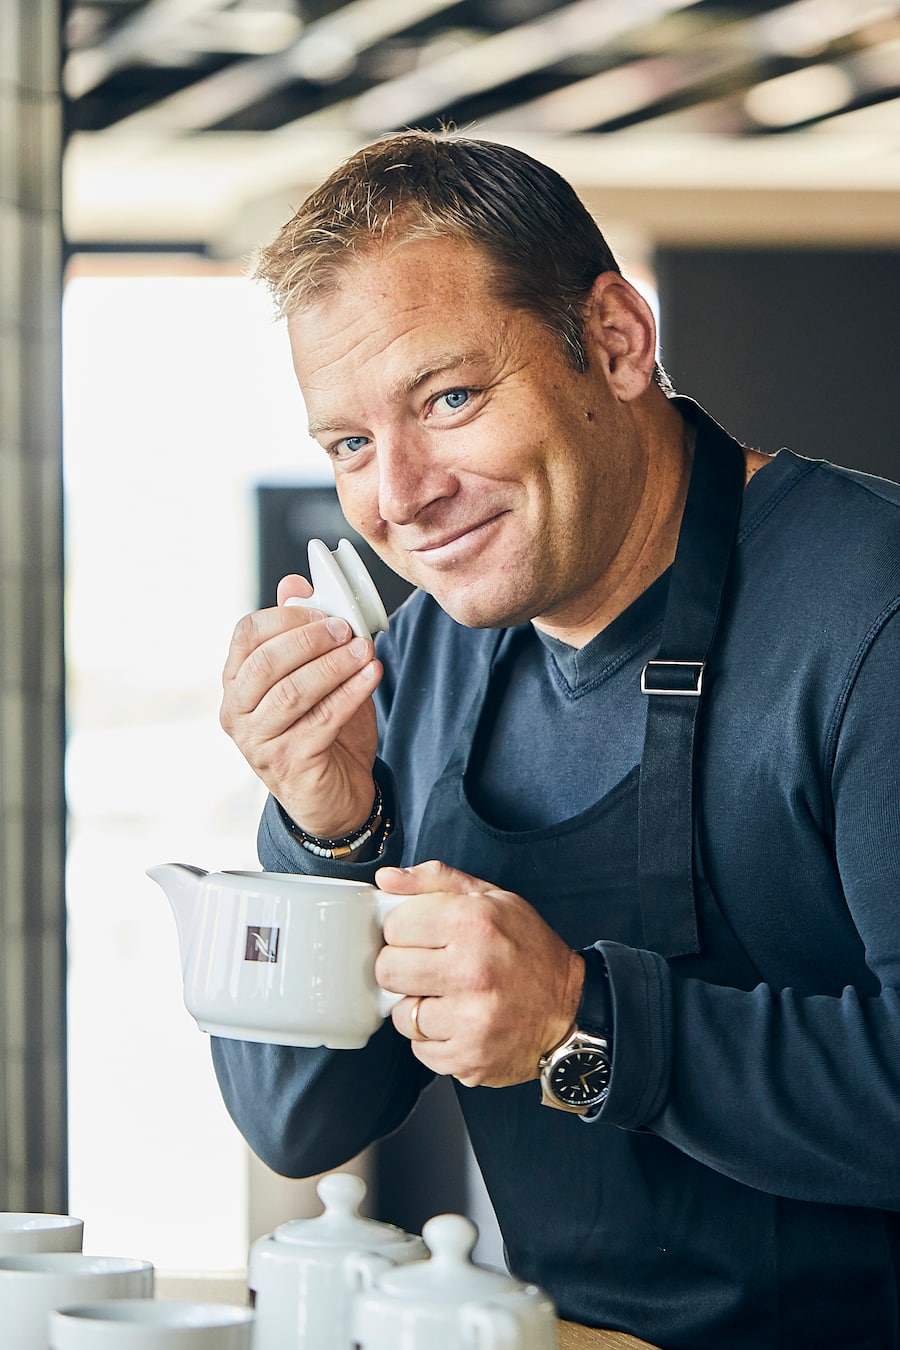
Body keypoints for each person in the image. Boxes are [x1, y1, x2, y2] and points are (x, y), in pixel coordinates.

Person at [214, 131, 900, 1349]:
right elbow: (299, 1122)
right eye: (351, 445)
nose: (402, 493)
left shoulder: (871, 611)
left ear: (618, 342)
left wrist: (583, 1022)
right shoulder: (421, 663)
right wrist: (329, 826)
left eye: (450, 398)